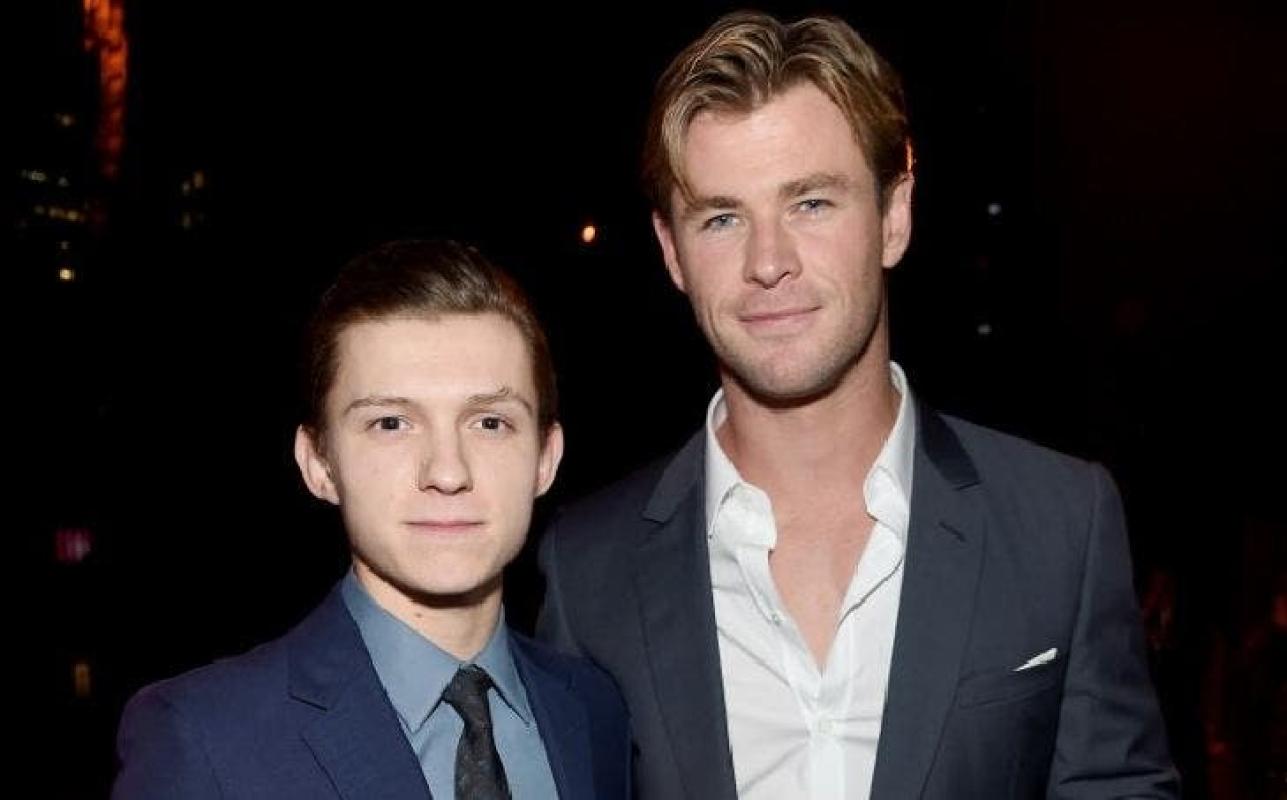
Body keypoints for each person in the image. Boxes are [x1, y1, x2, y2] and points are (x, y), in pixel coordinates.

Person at [537, 11, 1177, 799]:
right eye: (722, 218)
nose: (767, 262)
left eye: (810, 203)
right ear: (672, 251)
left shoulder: (1059, 522)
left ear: (893, 215)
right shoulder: (586, 571)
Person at [114, 239, 630, 799]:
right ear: (319, 464)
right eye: (390, 423)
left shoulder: (592, 710)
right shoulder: (203, 739)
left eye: (489, 423)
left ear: (546, 459)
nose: (447, 471)